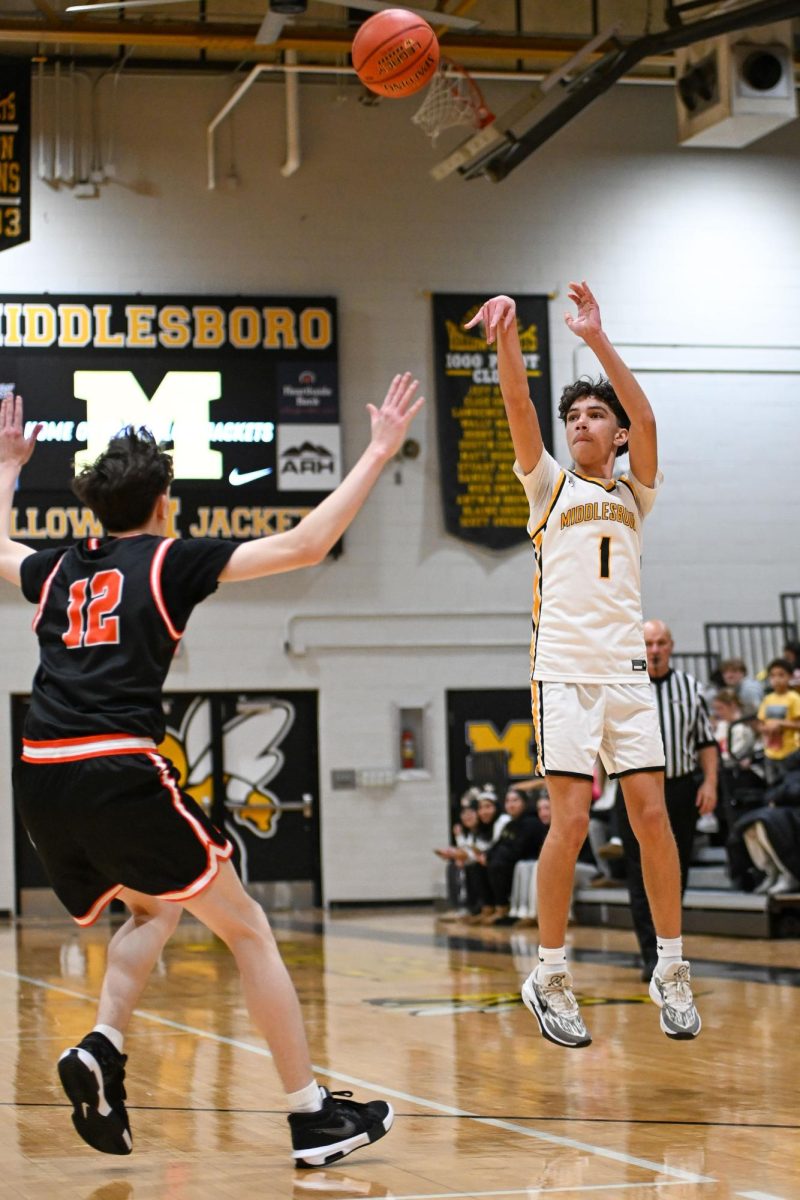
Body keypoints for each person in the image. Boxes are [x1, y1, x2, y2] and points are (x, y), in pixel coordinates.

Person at [0, 376, 424, 1167]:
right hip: (115, 765)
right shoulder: (169, 560)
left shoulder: (57, 569)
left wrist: (7, 469)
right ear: (164, 498)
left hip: (36, 774)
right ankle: (311, 1117)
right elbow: (303, 544)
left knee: (153, 911)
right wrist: (375, 452)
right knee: (248, 929)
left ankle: (102, 1046)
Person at [465, 283, 701, 1049]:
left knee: (653, 819)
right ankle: (550, 972)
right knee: (568, 820)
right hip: (563, 670)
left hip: (628, 675)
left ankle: (669, 966)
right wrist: (508, 339)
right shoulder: (549, 487)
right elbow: (518, 408)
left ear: (619, 435)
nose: (579, 423)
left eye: (595, 415)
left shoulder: (636, 493)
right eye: (574, 416)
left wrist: (598, 339)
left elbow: (652, 417)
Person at [617, 619, 719, 980]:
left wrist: (710, 783)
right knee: (638, 873)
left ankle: (670, 950)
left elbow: (706, 742)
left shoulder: (690, 687)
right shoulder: (625, 687)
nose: (655, 650)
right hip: (634, 790)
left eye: (661, 643)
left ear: (671, 646)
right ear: (638, 648)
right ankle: (651, 954)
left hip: (679, 789)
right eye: (648, 643)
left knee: (677, 872)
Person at [757, 658, 800, 784]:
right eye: (773, 676)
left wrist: (780, 723)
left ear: (790, 676)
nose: (776, 679)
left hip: (791, 751)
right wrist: (766, 729)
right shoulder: (768, 699)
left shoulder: (794, 698)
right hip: (771, 751)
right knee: (772, 785)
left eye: (781, 675)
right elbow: (760, 723)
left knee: (789, 785)